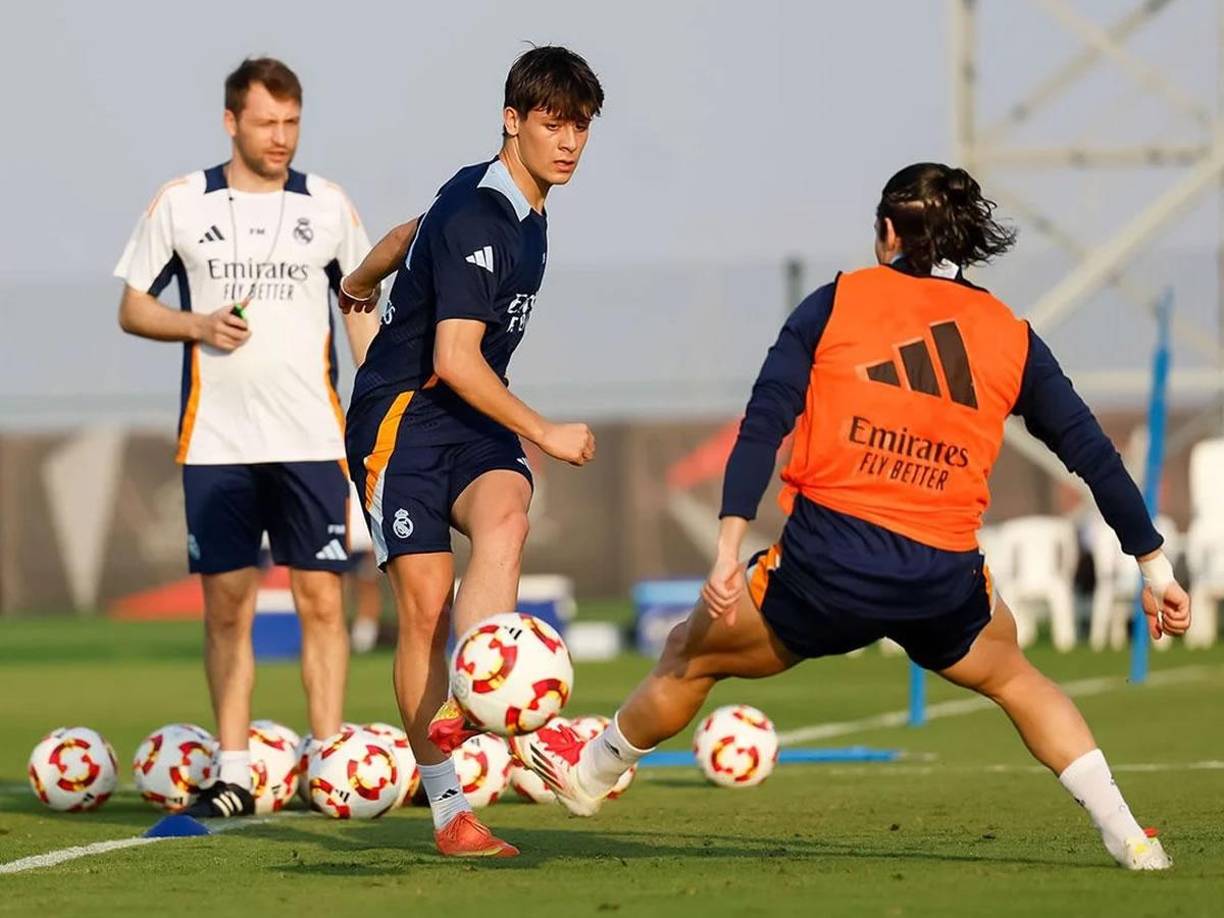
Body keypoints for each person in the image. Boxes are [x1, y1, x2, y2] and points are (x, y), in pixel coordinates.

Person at [515, 163, 1192, 871]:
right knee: (1018, 678)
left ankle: (591, 775)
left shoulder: (836, 301)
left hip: (826, 566)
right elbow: (1093, 454)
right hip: (941, 575)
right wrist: (1155, 568)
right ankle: (1133, 839)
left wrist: (727, 544)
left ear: (888, 233)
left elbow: (763, 421)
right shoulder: (1009, 334)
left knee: (690, 652)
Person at [338, 46, 604, 857]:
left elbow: (401, 234)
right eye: (552, 123)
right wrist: (545, 431)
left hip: (465, 416)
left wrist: (355, 285)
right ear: (511, 121)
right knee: (424, 602)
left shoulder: (515, 204)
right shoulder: (479, 216)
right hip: (403, 419)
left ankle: (484, 696)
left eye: (581, 127)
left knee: (508, 516)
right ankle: (450, 807)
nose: (568, 142)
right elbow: (454, 358)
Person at [114, 57, 378, 818]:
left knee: (322, 602)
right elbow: (134, 306)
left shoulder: (327, 205)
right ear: (231, 122)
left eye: (292, 123)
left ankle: (326, 765)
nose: (282, 138)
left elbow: (357, 301)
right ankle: (232, 772)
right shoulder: (182, 202)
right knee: (227, 608)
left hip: (311, 435)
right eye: (267, 123)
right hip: (216, 442)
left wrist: (384, 384)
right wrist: (196, 324)